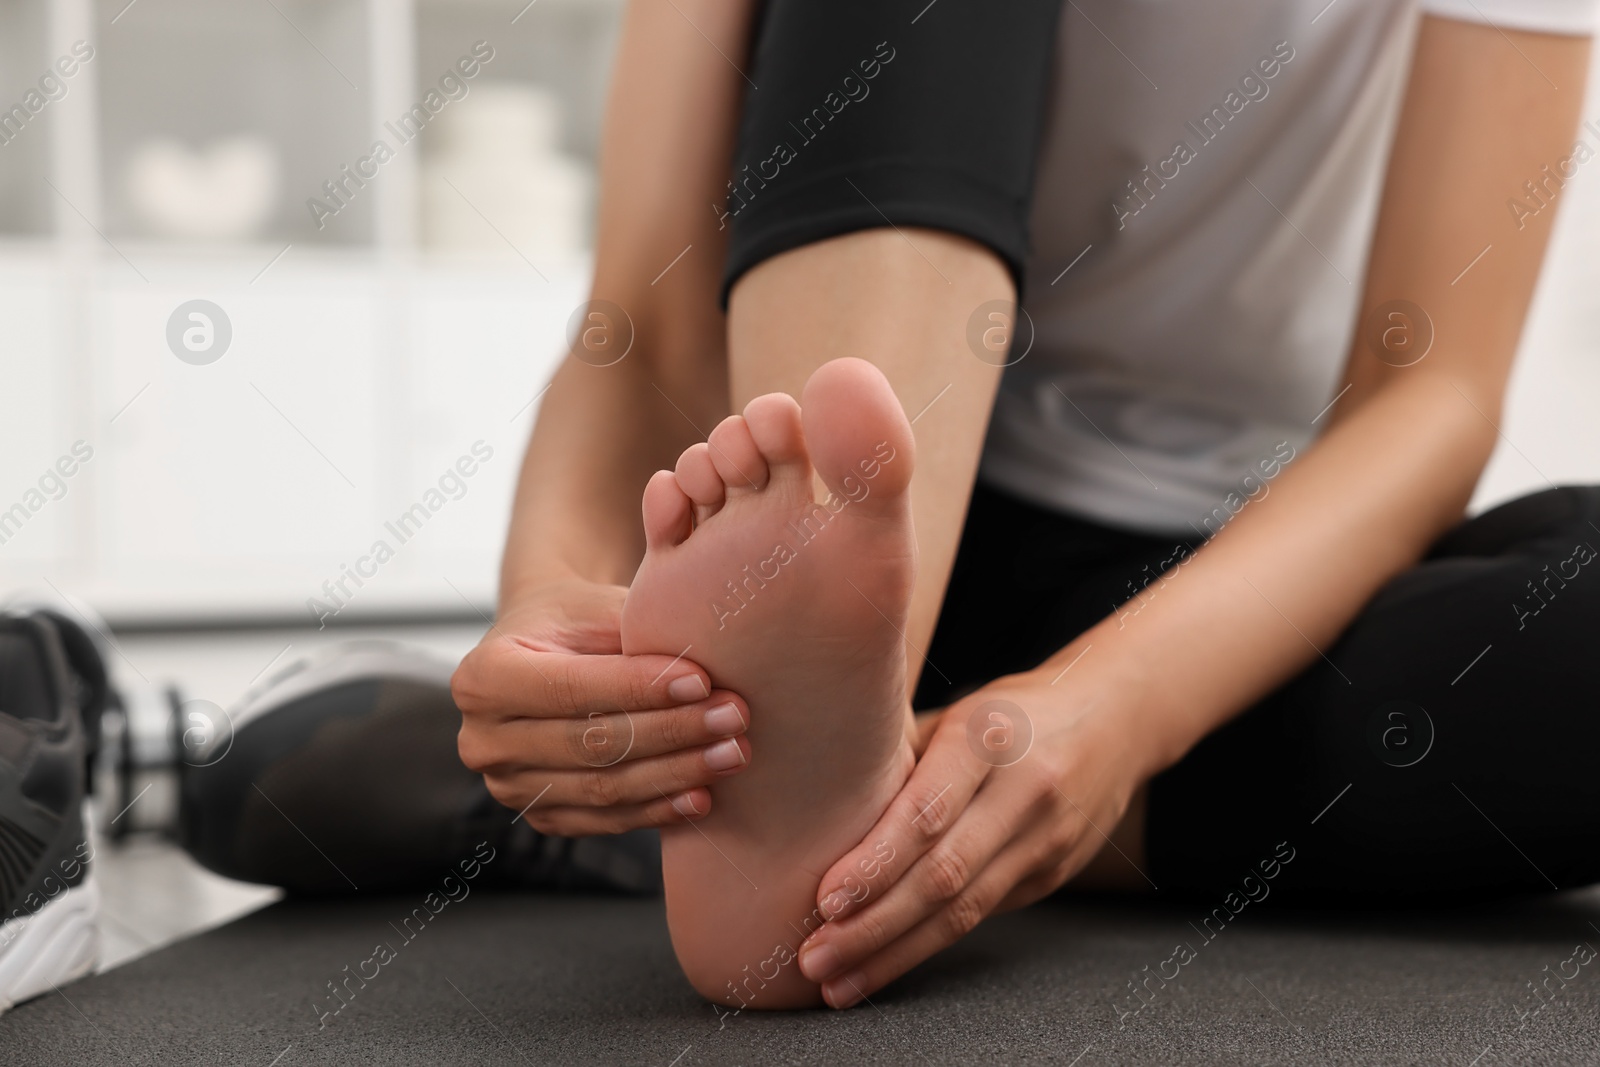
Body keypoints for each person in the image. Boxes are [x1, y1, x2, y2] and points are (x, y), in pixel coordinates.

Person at [451, 0, 1600, 1010]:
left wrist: (1113, 712)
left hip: (1224, 607)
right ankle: (815, 720)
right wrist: (554, 602)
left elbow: (1430, 394)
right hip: (865, 545)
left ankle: (816, 782)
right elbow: (642, 328)